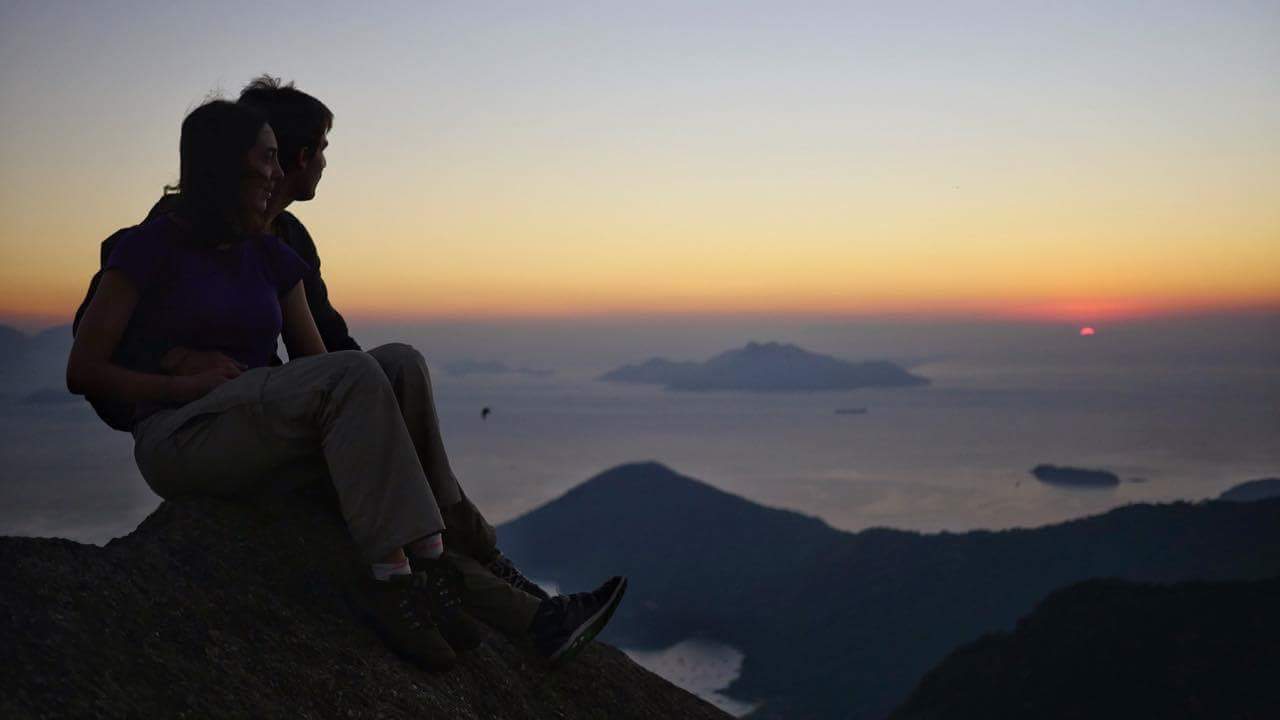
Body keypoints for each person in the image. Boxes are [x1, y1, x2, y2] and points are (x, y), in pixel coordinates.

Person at [67, 99, 626, 671]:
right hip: (182, 432)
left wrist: (372, 430)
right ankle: (400, 582)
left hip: (257, 416)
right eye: (266, 159)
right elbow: (82, 370)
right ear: (224, 166)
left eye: (279, 160)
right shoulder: (148, 246)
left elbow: (322, 360)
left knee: (400, 363)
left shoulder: (273, 252)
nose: (275, 173)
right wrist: (181, 381)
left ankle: (477, 591)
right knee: (366, 409)